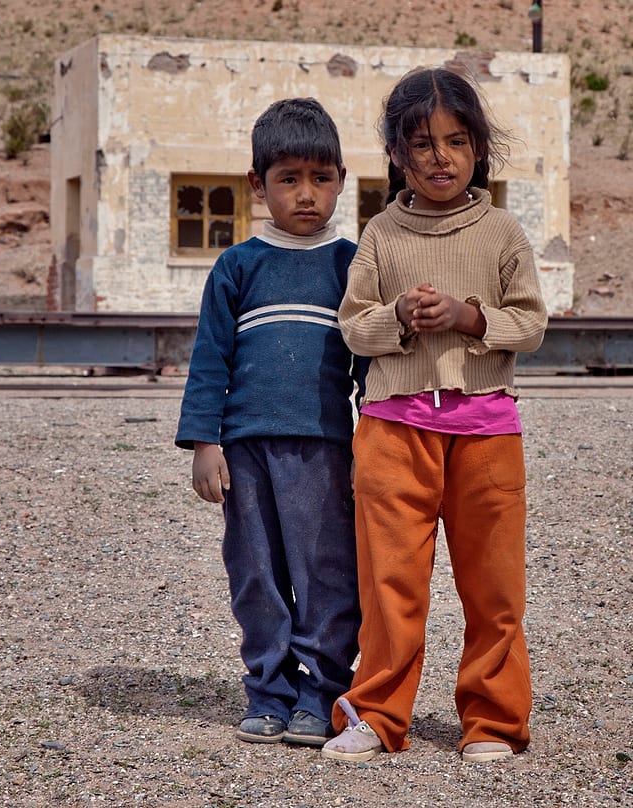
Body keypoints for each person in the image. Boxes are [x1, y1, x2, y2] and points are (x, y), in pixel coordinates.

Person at [320, 66, 547, 765]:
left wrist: (468, 316)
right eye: (421, 143)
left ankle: (495, 721)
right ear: (396, 153)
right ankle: (379, 717)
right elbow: (352, 325)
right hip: (392, 431)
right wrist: (400, 318)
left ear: (478, 146)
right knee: (390, 587)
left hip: (485, 432)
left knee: (494, 588)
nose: (439, 157)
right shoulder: (381, 235)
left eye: (455, 141)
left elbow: (531, 324)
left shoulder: (503, 230)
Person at [176, 97, 364, 749]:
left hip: (324, 452)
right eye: (288, 179)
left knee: (325, 572)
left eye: (321, 178)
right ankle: (269, 690)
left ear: (342, 179)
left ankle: (321, 694)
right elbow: (210, 357)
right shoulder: (238, 266)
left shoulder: (351, 264)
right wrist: (205, 440)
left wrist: (372, 444)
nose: (306, 194)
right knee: (254, 571)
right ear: (258, 184)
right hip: (246, 452)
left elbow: (369, 364)